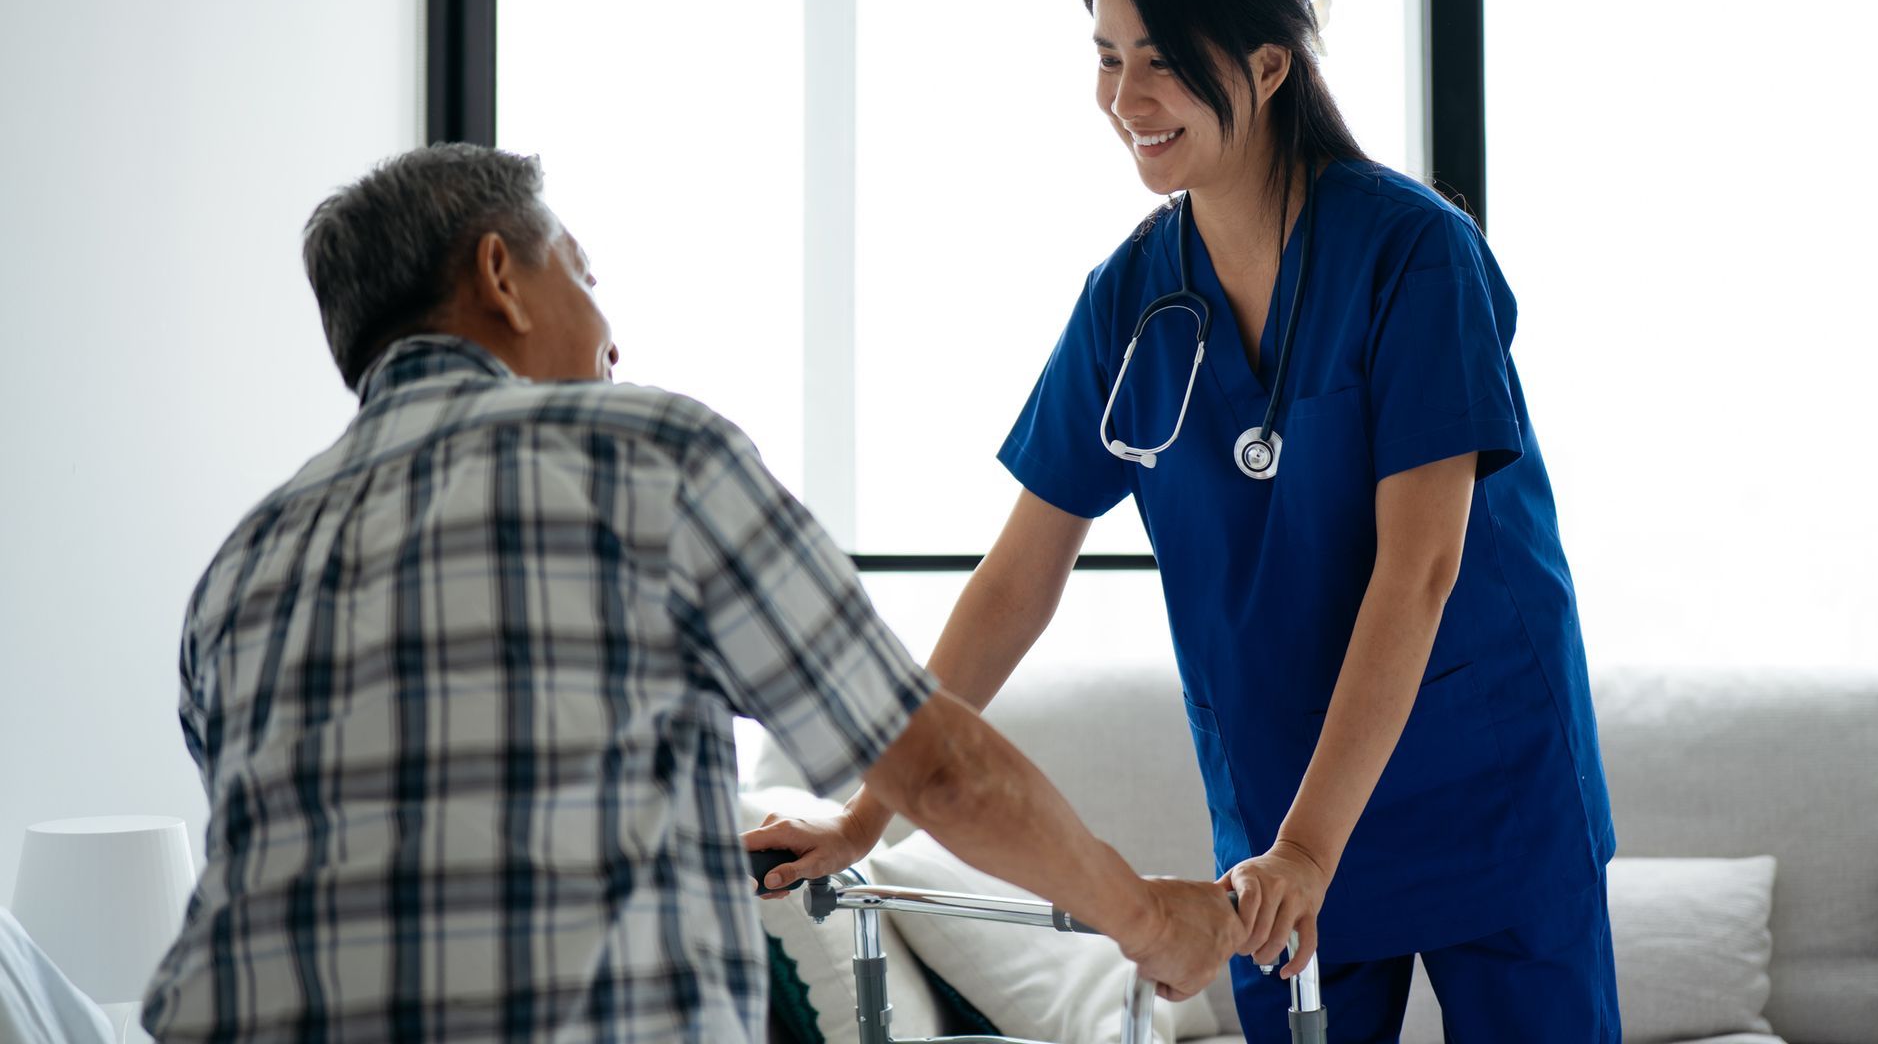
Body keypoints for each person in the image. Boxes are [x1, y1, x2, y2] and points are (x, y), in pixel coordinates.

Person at [759, 0, 1622, 1042]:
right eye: (1108, 58)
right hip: (1278, 816)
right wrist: (871, 813)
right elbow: (1018, 576)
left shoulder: (1417, 255)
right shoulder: (1131, 300)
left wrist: (1317, 843)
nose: (1126, 98)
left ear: (1268, 67)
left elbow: (1419, 569)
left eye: (1161, 60)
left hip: (1485, 783)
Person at [137, 143, 1239, 1043]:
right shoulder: (647, 453)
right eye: (584, 271)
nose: (613, 331)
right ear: (500, 277)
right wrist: (1148, 918)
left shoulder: (236, 570)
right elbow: (939, 764)